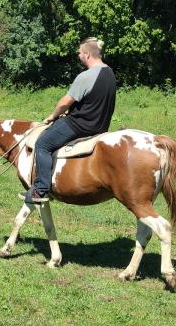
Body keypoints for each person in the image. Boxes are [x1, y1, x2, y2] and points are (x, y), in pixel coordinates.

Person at [23, 37, 116, 203]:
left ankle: (41, 190)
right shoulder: (110, 72)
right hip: (100, 126)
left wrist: (52, 116)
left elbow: (65, 102)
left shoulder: (86, 76)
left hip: (80, 125)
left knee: (43, 144)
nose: (79, 55)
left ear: (87, 54)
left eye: (80, 53)